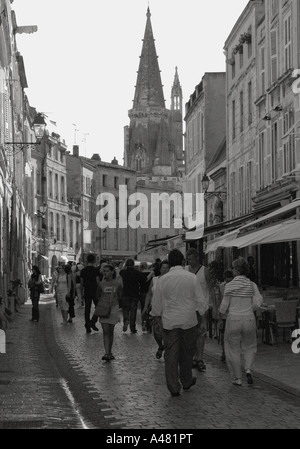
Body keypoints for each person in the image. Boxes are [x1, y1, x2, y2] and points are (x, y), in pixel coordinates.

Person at [151, 249, 208, 397]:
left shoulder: (163, 279)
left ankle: (173, 386)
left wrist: (156, 318)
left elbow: (156, 303)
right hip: (189, 320)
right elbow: (200, 301)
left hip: (170, 321)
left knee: (171, 354)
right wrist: (203, 320)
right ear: (183, 261)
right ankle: (186, 380)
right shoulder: (191, 278)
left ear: (169, 263)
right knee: (187, 353)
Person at [219, 257, 263, 386]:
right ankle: (248, 369)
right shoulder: (252, 284)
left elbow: (224, 306)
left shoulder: (229, 285)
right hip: (249, 318)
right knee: (250, 346)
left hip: (233, 319)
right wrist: (251, 308)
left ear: (237, 270)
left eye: (233, 268)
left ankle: (237, 378)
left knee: (233, 349)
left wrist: (220, 314)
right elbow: (258, 301)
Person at [185, 248, 215, 372]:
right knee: (191, 334)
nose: (190, 262)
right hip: (189, 307)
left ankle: (200, 358)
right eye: (188, 259)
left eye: (192, 259)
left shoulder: (205, 271)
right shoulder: (185, 270)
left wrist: (214, 306)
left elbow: (211, 288)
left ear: (197, 258)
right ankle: (192, 357)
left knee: (201, 333)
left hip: (202, 307)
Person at [90, 264, 123, 361]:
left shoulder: (117, 284)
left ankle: (110, 351)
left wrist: (116, 300)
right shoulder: (101, 284)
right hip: (104, 308)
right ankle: (107, 353)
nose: (105, 273)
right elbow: (97, 295)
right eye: (104, 271)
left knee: (111, 331)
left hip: (113, 308)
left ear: (112, 272)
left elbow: (121, 295)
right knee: (105, 331)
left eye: (107, 271)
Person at [142, 260, 170, 358]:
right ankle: (161, 346)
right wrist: (145, 307)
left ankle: (167, 350)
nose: (165, 270)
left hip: (168, 310)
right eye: (163, 268)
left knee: (167, 333)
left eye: (167, 268)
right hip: (156, 310)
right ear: (160, 269)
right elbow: (149, 294)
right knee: (157, 333)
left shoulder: (171, 280)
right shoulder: (155, 280)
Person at [119, 258, 145, 333]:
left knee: (125, 309)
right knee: (133, 311)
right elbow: (143, 281)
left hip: (125, 293)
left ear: (126, 264)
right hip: (135, 294)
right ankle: (132, 328)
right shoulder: (137, 273)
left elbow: (120, 278)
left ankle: (126, 320)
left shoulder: (123, 272)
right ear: (133, 265)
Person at [80, 253, 101, 333]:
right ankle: (92, 322)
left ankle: (87, 325)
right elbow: (98, 281)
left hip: (87, 291)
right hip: (95, 291)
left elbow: (81, 283)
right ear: (94, 260)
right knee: (98, 308)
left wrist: (81, 293)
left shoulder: (83, 271)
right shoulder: (95, 270)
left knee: (87, 309)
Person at [217, 269, 234, 362]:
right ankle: (224, 352)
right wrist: (219, 316)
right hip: (224, 314)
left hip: (233, 314)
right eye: (227, 281)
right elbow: (220, 300)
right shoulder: (221, 287)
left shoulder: (236, 287)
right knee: (223, 335)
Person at [139, 262, 152, 331]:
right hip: (149, 292)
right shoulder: (151, 273)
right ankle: (148, 324)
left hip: (142, 292)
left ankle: (143, 322)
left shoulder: (140, 274)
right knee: (149, 309)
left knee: (143, 308)